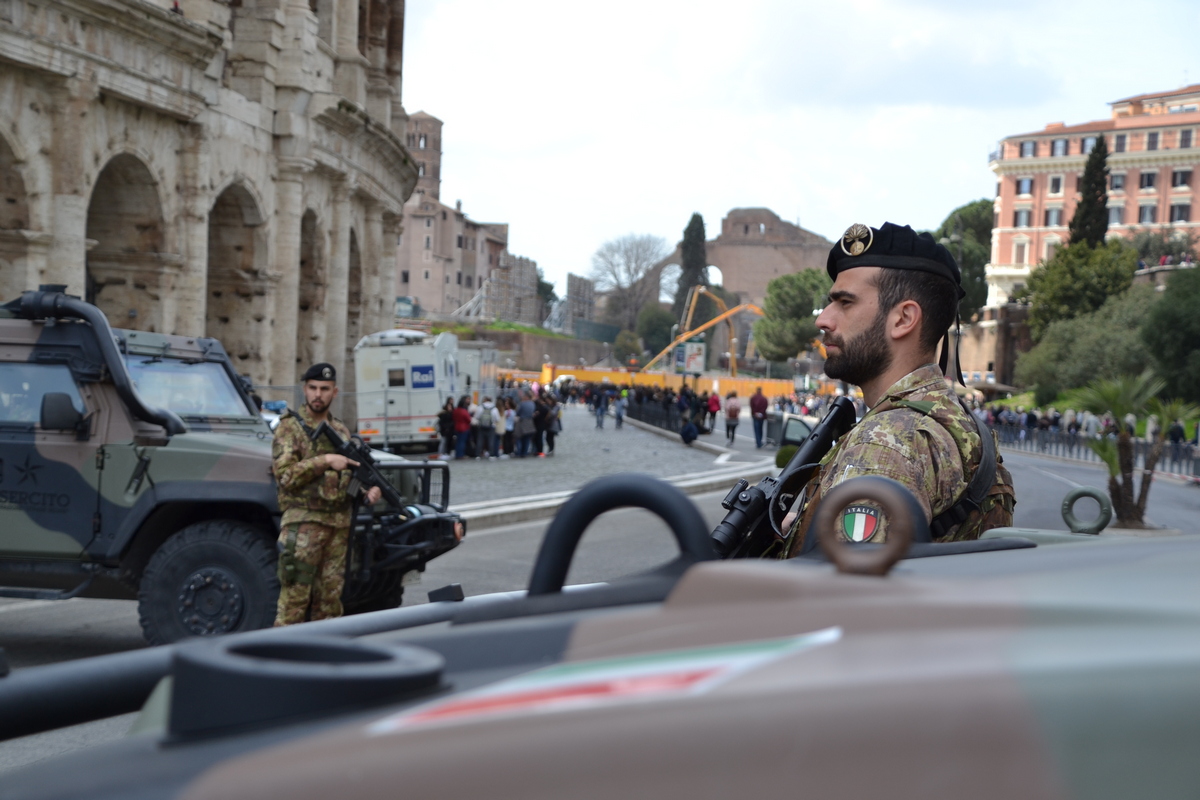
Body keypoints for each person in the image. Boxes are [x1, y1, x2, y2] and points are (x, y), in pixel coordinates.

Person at [778, 222, 1015, 558]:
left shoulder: (884, 443)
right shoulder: (959, 422)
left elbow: (848, 586)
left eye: (844, 302)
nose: (824, 320)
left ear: (904, 319)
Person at [272, 363, 383, 626]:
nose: (317, 394)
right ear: (304, 390)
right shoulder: (290, 428)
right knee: (293, 605)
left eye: (324, 389)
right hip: (303, 526)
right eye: (312, 388)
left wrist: (366, 492)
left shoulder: (341, 431)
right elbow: (285, 477)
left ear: (335, 392)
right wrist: (325, 460)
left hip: (338, 529)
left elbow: (347, 482)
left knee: (330, 607)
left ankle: (323, 650)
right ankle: (281, 652)